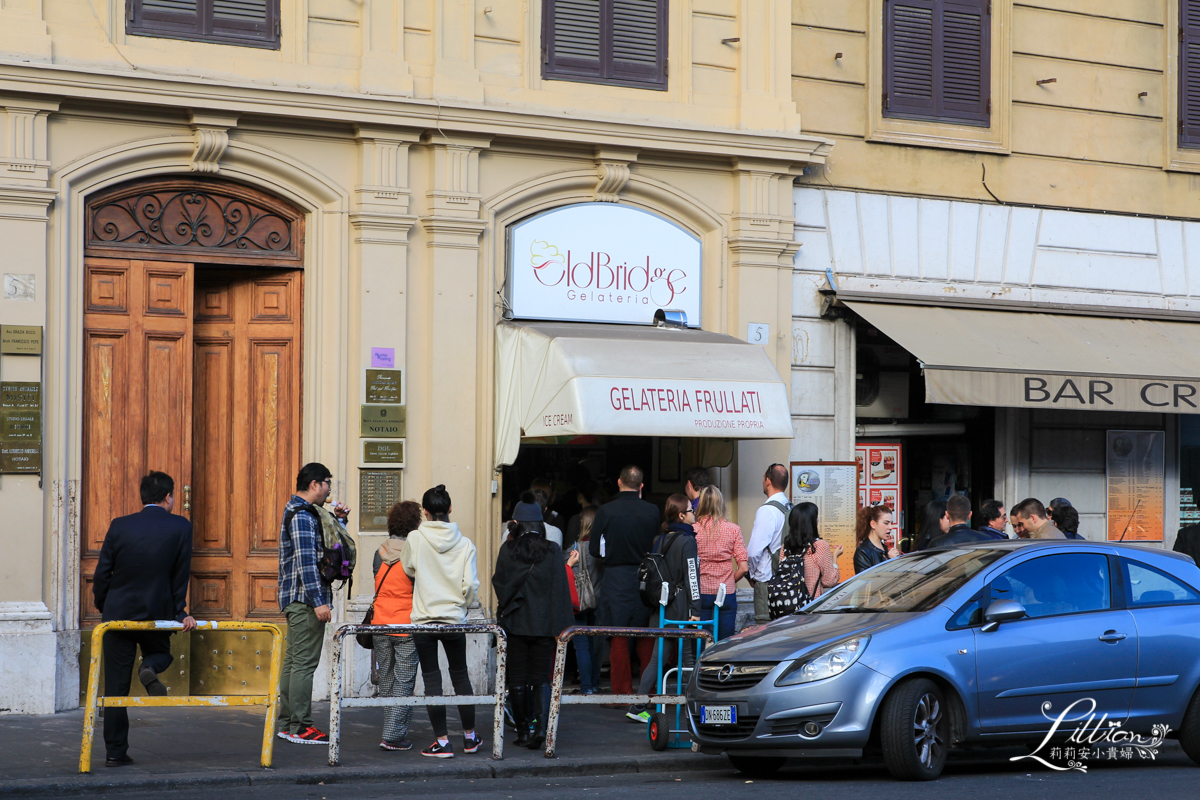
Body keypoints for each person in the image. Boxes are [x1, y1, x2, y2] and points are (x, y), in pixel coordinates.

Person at [92, 471, 195, 768]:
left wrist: (105, 605)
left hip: (118, 615)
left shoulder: (120, 525)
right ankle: (149, 667)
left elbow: (103, 573)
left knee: (115, 688)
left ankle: (114, 752)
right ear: (168, 497)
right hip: (156, 613)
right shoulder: (180, 526)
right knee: (161, 653)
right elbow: (180, 574)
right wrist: (180, 612)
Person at [403, 484, 483, 758]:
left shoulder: (415, 538)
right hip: (453, 620)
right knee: (460, 676)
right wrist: (461, 605)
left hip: (424, 620)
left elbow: (408, 568)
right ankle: (471, 738)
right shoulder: (465, 544)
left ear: (425, 512)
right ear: (449, 509)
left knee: (432, 680)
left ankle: (442, 741)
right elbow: (471, 584)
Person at [277, 462, 350, 746]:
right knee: (303, 664)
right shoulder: (302, 516)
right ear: (315, 484)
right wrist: (319, 602)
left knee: (294, 662)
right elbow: (308, 563)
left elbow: (328, 547)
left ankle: (287, 723)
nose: (330, 489)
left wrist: (339, 520)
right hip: (305, 598)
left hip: (297, 597)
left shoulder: (300, 511)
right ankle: (300, 726)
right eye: (328, 483)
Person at [492, 510, 575, 749]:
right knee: (541, 678)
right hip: (544, 624)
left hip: (516, 623)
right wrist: (562, 627)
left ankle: (523, 731)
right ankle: (542, 727)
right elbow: (560, 590)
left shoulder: (508, 550)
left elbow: (500, 584)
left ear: (516, 524)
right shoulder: (551, 550)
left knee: (517, 679)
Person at [629, 494, 701, 723]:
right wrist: (695, 607)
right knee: (688, 657)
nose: (694, 513)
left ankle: (638, 704)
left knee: (656, 658)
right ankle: (695, 708)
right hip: (679, 606)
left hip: (661, 606)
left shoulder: (661, 539)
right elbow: (692, 575)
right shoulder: (687, 540)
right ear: (681, 515)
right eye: (691, 510)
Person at [589, 465, 659, 696]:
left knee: (618, 636)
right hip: (645, 577)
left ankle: (621, 692)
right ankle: (650, 690)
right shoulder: (652, 511)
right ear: (641, 486)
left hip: (616, 577)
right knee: (646, 636)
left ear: (619, 482)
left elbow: (594, 550)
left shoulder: (606, 511)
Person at [373, 500, 422, 751]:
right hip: (406, 624)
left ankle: (389, 729)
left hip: (379, 623)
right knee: (403, 680)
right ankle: (392, 736)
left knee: (388, 679)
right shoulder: (414, 552)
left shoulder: (379, 552)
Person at [693, 485, 748, 641]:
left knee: (700, 642)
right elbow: (744, 568)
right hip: (726, 591)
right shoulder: (733, 529)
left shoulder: (693, 530)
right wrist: (729, 580)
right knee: (724, 643)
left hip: (701, 591)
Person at [746, 464, 791, 624]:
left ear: (767, 481)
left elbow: (753, 552)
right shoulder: (790, 507)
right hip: (789, 582)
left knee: (765, 631)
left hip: (767, 582)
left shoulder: (767, 510)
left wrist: (750, 574)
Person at [569, 506, 603, 695]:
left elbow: (568, 574)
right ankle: (595, 683)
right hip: (598, 601)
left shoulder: (575, 548)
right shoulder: (602, 549)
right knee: (593, 645)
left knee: (581, 646)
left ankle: (586, 687)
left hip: (581, 602)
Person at [784, 502, 842, 599]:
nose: (818, 520)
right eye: (816, 518)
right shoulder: (819, 546)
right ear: (811, 523)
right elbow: (829, 581)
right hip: (809, 605)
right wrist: (835, 557)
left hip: (788, 603)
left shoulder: (785, 546)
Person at [853, 505, 898, 573]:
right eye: (886, 523)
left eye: (891, 523)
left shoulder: (885, 549)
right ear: (873, 524)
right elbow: (868, 581)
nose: (890, 527)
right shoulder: (863, 552)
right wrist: (890, 561)